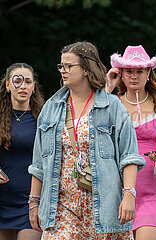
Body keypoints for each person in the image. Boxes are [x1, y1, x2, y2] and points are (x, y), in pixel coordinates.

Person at [28, 41, 145, 239]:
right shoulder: (51, 108)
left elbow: (129, 156)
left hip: (104, 207)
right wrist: (33, 202)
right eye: (61, 66)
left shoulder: (112, 106)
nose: (63, 71)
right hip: (61, 208)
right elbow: (39, 163)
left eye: (68, 66)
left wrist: (128, 194)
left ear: (85, 69)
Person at [106, 45, 156, 240]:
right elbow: (92, 132)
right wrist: (108, 87)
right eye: (129, 71)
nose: (134, 76)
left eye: (140, 71)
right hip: (118, 191)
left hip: (154, 191)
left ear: (149, 73)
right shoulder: (111, 103)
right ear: (121, 74)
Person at [0, 63, 44, 240]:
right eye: (17, 81)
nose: (23, 86)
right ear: (8, 85)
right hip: (2, 201)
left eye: (27, 81)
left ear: (33, 87)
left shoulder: (43, 117)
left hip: (31, 203)